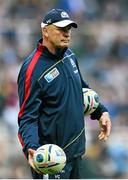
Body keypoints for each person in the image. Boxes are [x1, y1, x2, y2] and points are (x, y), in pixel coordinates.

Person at [17, 9, 111, 179]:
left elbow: (81, 88)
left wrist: (101, 112)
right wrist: (31, 147)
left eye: (69, 29)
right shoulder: (32, 69)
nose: (67, 34)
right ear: (45, 31)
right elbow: (27, 117)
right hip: (52, 161)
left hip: (76, 154)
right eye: (61, 29)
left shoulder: (70, 55)